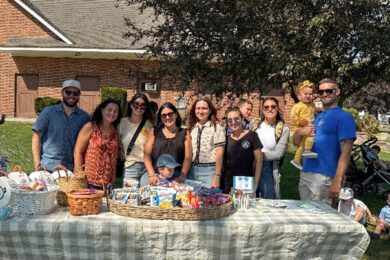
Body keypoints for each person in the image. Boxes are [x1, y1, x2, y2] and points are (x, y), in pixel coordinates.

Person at [293, 78, 356, 205]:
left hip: (324, 177)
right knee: (307, 216)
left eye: (329, 91)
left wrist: (337, 180)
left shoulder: (344, 117)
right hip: (306, 172)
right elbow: (295, 142)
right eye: (321, 92)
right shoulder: (318, 116)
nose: (324, 94)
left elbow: (346, 151)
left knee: (320, 219)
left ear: (337, 91)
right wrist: (300, 132)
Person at [32, 80, 89, 172]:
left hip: (72, 169)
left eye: (75, 93)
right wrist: (37, 164)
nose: (71, 95)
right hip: (48, 167)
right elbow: (36, 136)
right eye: (68, 92)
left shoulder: (84, 117)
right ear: (62, 92)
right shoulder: (48, 112)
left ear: (79, 95)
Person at [74, 99, 121, 189]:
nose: (112, 113)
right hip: (89, 181)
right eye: (109, 110)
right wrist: (80, 176)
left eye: (116, 111)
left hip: (109, 183)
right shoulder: (90, 127)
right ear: (102, 110)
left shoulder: (115, 130)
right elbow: (78, 152)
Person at [144, 102, 192, 186]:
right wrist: (152, 175)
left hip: (176, 176)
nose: (167, 117)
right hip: (156, 175)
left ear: (176, 114)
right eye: (164, 115)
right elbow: (146, 155)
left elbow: (188, 157)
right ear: (161, 118)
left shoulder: (184, 132)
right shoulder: (154, 131)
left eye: (170, 114)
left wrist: (181, 177)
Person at [251, 97, 290, 199]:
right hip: (250, 164)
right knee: (248, 196)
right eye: (266, 107)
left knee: (267, 199)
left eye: (273, 106)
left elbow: (279, 153)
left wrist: (260, 156)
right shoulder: (254, 124)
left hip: (267, 166)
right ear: (262, 110)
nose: (270, 109)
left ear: (277, 108)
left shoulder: (283, 129)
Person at [187, 97, 226, 188]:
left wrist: (217, 175)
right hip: (191, 171)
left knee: (208, 200)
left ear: (210, 110)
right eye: (198, 108)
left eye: (204, 108)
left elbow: (219, 153)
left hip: (209, 172)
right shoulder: (192, 128)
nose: (200, 111)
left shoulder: (216, 127)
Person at [223, 107, 262, 194]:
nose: (233, 122)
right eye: (230, 120)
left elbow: (259, 161)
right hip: (229, 184)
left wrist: (255, 184)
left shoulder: (252, 136)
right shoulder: (225, 138)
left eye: (236, 119)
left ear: (242, 118)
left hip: (247, 183)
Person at [119, 93, 154, 187]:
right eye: (136, 104)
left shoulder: (149, 124)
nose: (139, 107)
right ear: (131, 105)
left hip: (147, 168)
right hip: (130, 166)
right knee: (130, 198)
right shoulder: (122, 123)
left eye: (143, 105)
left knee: (146, 198)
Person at [290, 80, 317, 170]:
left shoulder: (312, 105)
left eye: (310, 94)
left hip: (308, 125)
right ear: (299, 96)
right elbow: (293, 116)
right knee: (310, 136)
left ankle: (296, 160)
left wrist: (320, 109)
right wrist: (300, 121)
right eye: (305, 94)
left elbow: (314, 111)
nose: (308, 96)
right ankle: (308, 150)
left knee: (302, 145)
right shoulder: (298, 106)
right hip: (301, 126)